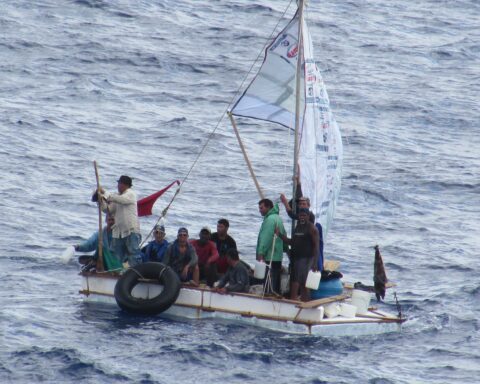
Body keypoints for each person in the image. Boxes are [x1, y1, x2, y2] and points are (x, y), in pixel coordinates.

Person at [276, 208, 319, 301]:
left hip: (307, 259)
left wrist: (315, 263)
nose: (302, 217)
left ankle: (301, 301)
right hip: (296, 258)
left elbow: (316, 247)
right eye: (300, 215)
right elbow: (292, 242)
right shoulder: (298, 227)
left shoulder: (312, 228)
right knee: (298, 281)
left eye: (304, 216)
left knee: (300, 282)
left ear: (308, 216)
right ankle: (297, 300)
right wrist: (279, 234)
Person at [99, 175, 142, 267]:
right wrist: (101, 201)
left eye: (119, 183)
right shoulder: (117, 197)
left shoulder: (131, 194)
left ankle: (135, 274)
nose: (118, 186)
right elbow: (108, 210)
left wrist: (106, 193)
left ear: (124, 185)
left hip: (131, 231)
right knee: (116, 256)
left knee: (133, 254)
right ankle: (117, 273)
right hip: (119, 232)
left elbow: (121, 200)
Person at [256, 198, 287, 295]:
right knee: (275, 282)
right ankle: (276, 298)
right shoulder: (278, 218)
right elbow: (284, 235)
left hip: (269, 256)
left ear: (268, 207)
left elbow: (266, 238)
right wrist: (286, 249)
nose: (259, 210)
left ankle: (268, 300)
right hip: (277, 256)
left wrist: (261, 253)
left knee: (268, 283)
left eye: (261, 208)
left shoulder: (270, 220)